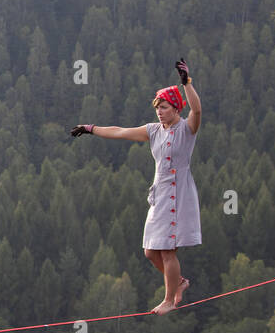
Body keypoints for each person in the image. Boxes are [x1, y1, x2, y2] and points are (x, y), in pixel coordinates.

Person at [70, 58, 202, 314]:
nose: (159, 111)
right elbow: (121, 132)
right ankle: (180, 282)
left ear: (176, 108)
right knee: (150, 251)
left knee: (166, 251)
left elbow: (197, 111)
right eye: (157, 108)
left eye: (164, 107)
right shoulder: (154, 131)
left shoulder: (187, 129)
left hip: (178, 194)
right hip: (160, 194)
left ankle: (168, 299)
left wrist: (187, 83)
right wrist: (91, 129)